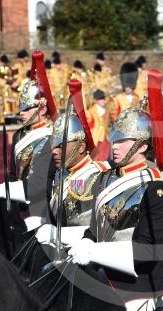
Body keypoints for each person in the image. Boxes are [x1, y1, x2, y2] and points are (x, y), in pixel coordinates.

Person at [68, 71, 163, 311]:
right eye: (114, 140)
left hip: (136, 286)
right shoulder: (105, 178)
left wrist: (94, 251)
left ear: (141, 146)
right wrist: (84, 245)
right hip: (100, 277)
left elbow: (147, 250)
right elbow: (95, 229)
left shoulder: (155, 185)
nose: (114, 146)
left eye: (123, 141)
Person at [0, 51, 58, 231]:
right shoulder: (19, 136)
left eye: (27, 108)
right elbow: (14, 175)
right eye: (20, 108)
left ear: (42, 109)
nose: (21, 113)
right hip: (19, 204)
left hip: (45, 206)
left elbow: (41, 182)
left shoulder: (53, 136)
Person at [35, 79, 111, 248]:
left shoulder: (97, 174)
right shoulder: (60, 173)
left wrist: (55, 235)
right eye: (54, 146)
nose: (54, 151)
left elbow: (96, 229)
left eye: (60, 146)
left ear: (81, 146)